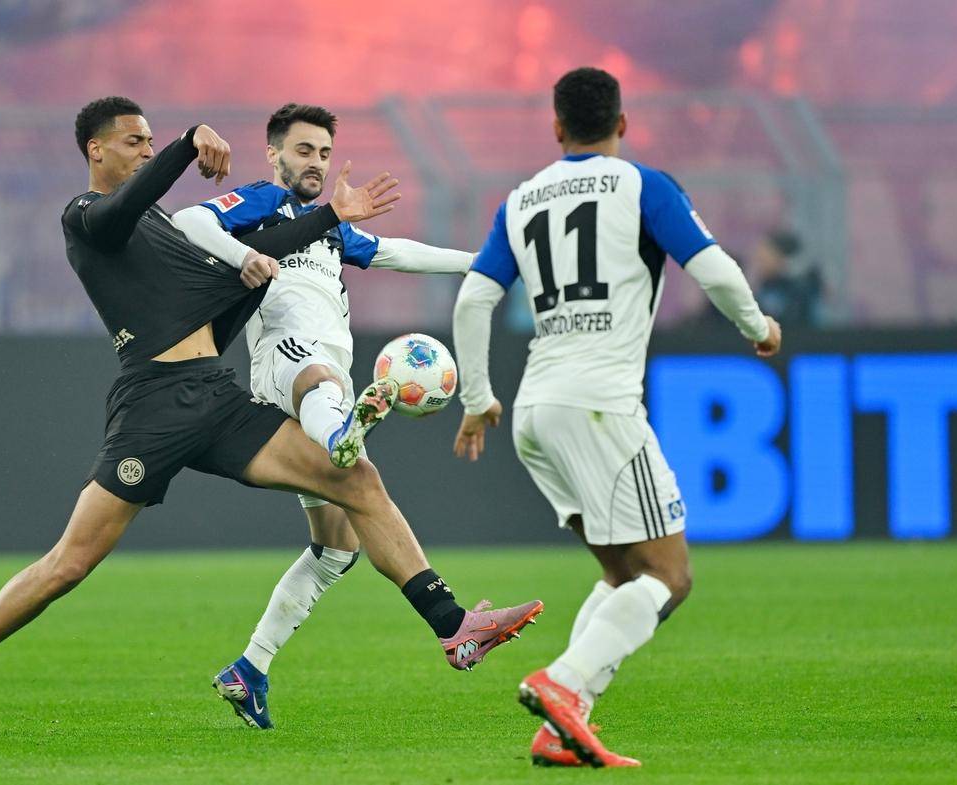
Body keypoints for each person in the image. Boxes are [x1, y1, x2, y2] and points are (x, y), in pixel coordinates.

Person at [0, 97, 542, 737]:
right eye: (135, 141)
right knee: (67, 566)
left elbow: (240, 275)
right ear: (96, 149)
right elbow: (124, 211)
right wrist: (186, 141)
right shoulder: (85, 217)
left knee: (358, 480)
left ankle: (454, 627)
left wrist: (321, 223)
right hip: (152, 406)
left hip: (215, 397)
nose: (145, 151)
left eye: (150, 140)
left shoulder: (161, 225)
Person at [451, 68, 781, 767]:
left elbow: (475, 299)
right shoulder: (643, 187)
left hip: (535, 410)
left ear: (557, 128)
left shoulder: (520, 199)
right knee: (670, 575)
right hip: (599, 405)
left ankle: (560, 728)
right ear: (622, 124)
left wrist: (477, 396)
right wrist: (759, 325)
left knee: (625, 575)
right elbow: (716, 270)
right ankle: (563, 683)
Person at [171, 103, 475, 729]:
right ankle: (342, 432)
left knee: (336, 548)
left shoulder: (329, 226)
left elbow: (395, 252)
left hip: (324, 380)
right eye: (303, 150)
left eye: (324, 154)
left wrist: (481, 263)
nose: (315, 163)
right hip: (286, 363)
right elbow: (187, 219)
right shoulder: (263, 203)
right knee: (323, 379)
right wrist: (239, 256)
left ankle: (250, 669)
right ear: (273, 154)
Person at [753, 229, 822, 327]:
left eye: (765, 257)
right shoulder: (764, 287)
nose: (759, 262)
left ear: (781, 258)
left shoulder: (800, 289)